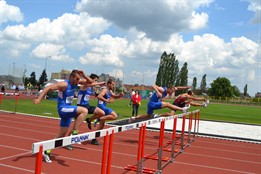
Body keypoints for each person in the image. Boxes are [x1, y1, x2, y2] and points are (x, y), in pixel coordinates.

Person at [33, 70, 93, 163]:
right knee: (84, 110)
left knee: (61, 135)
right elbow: (48, 88)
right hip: (63, 109)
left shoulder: (77, 82)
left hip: (68, 111)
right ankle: (75, 133)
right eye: (77, 79)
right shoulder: (64, 84)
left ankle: (46, 151)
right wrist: (39, 98)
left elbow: (90, 82)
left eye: (79, 79)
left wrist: (84, 75)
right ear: (71, 77)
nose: (78, 81)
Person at [66, 73, 106, 148]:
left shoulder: (90, 88)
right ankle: (67, 142)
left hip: (87, 106)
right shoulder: (84, 85)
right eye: (95, 80)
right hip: (80, 107)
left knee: (101, 113)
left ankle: (89, 119)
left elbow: (90, 93)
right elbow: (90, 83)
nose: (96, 81)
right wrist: (100, 83)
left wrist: (95, 93)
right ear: (91, 79)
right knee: (75, 126)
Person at [91, 79, 124, 145]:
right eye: (112, 84)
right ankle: (98, 119)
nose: (113, 86)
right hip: (101, 107)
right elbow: (99, 96)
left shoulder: (110, 91)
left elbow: (114, 96)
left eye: (114, 85)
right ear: (109, 84)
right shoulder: (105, 89)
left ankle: (94, 139)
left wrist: (119, 95)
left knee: (101, 126)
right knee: (115, 116)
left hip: (103, 107)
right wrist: (107, 101)